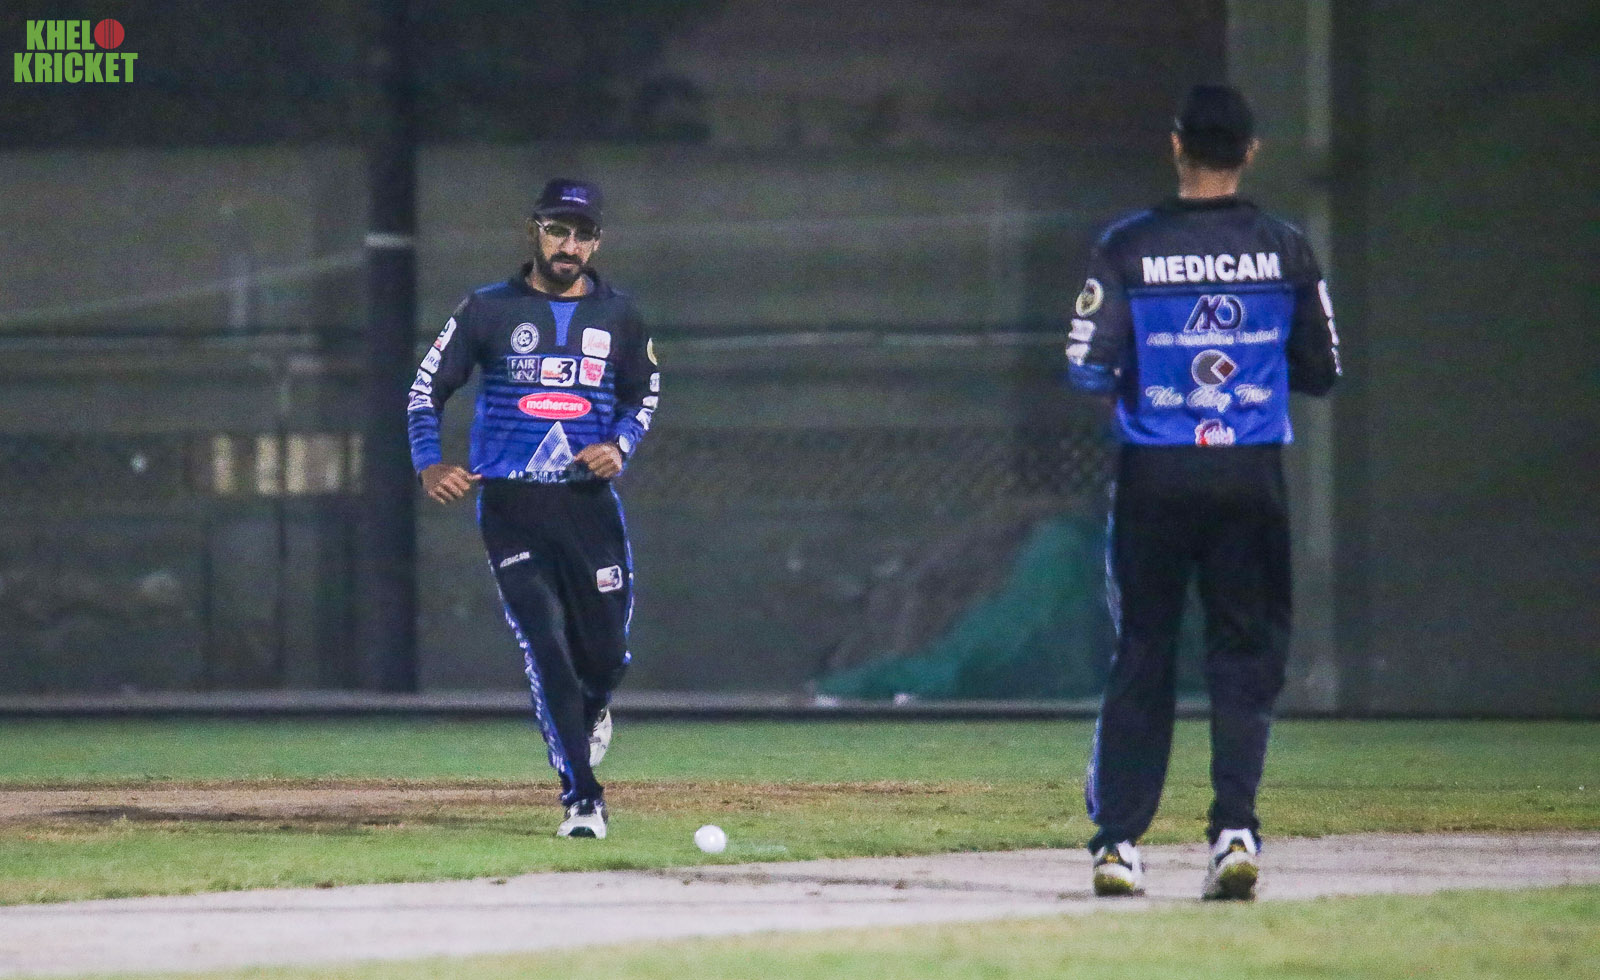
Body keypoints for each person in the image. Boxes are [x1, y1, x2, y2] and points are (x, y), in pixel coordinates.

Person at [1065, 85, 1341, 899]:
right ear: (1250, 151)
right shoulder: (1285, 249)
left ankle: (1119, 845)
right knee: (1245, 654)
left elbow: (1085, 364)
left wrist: (1156, 382)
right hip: (1248, 472)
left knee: (1143, 649)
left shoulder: (1127, 245)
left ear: (1177, 144)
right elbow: (1323, 368)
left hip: (1156, 472)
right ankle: (1233, 834)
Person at [407, 178, 659, 840]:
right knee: (546, 645)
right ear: (534, 232)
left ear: (596, 243)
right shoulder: (487, 309)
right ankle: (583, 797)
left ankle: (592, 709)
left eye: (581, 235)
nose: (568, 246)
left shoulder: (621, 315)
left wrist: (620, 445)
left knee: (607, 657)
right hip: (511, 505)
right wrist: (429, 463)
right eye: (557, 231)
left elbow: (644, 393)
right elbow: (426, 390)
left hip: (588, 506)